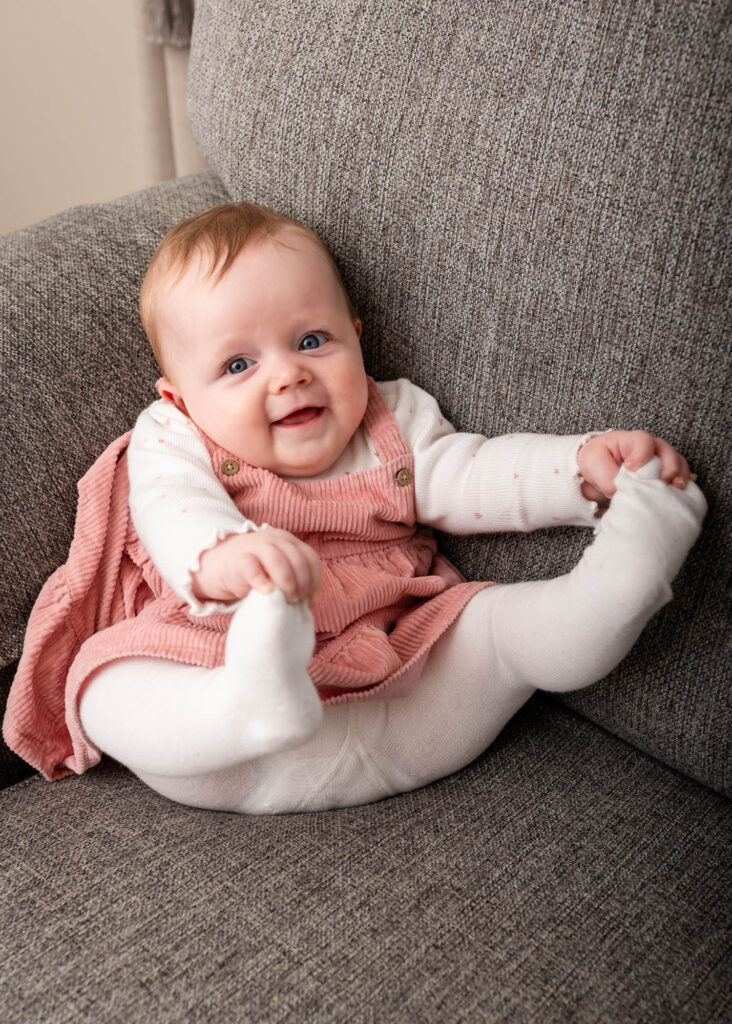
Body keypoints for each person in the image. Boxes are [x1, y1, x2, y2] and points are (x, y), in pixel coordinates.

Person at [4, 203, 707, 814]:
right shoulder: (174, 435)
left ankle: (620, 581)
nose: (289, 374)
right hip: (233, 724)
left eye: (312, 341)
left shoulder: (389, 418)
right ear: (181, 398)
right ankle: (247, 702)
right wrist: (225, 558)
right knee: (103, 682)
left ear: (356, 335)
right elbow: (169, 506)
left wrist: (579, 467)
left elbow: (472, 473)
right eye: (239, 365)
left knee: (495, 630)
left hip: (405, 696)